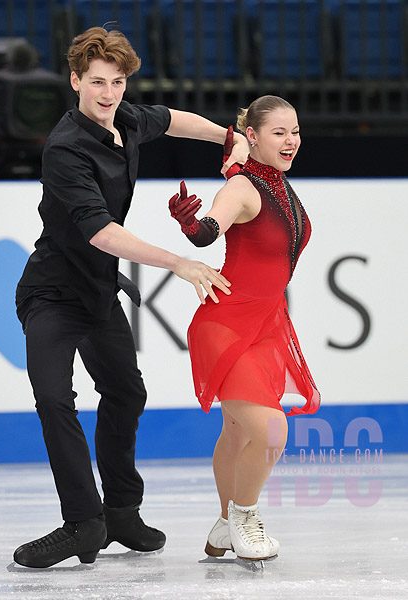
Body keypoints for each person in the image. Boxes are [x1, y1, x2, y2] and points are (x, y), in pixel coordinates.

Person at [12, 26, 249, 569]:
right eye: (97, 82)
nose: (109, 93)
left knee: (126, 393)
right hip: (52, 293)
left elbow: (170, 119)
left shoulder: (125, 120)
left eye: (117, 82)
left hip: (97, 291)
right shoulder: (65, 147)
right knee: (54, 399)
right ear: (75, 81)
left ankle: (120, 512)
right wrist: (179, 261)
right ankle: (82, 521)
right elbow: (100, 231)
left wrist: (225, 138)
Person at [169, 95, 320, 563]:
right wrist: (192, 223)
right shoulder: (243, 188)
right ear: (253, 136)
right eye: (279, 132)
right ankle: (244, 514)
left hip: (267, 324)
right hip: (226, 325)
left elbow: (238, 162)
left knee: (237, 434)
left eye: (294, 131)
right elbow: (209, 229)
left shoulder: (274, 182)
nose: (290, 140)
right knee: (272, 429)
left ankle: (222, 525)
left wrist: (236, 158)